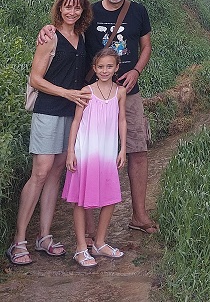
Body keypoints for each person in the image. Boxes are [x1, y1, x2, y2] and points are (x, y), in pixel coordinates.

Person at [38, 0, 158, 235]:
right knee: (89, 155)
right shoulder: (90, 12)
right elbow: (67, 27)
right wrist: (47, 28)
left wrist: (136, 70)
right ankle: (91, 230)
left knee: (137, 150)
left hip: (127, 91)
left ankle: (139, 215)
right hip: (92, 95)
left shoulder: (138, 11)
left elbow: (146, 45)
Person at [7, 0, 91, 266]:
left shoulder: (81, 38)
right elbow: (36, 79)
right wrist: (67, 93)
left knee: (56, 172)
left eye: (77, 8)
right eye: (67, 7)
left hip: (71, 113)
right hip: (48, 111)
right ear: (59, 9)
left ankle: (44, 236)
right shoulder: (50, 36)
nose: (72, 12)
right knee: (41, 172)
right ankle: (18, 241)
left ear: (82, 12)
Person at [62, 47, 127, 267]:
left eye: (110, 66)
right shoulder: (86, 91)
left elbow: (122, 121)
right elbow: (76, 122)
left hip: (108, 151)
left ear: (117, 68)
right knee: (81, 199)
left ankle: (99, 242)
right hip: (86, 151)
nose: (105, 70)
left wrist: (123, 148)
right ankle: (81, 248)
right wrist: (71, 151)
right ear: (94, 68)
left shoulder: (120, 92)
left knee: (110, 197)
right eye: (100, 67)